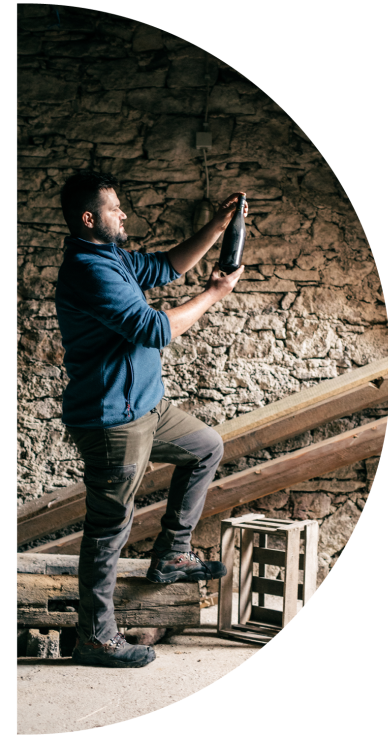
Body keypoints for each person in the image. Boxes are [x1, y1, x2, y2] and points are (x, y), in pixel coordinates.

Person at [55, 170, 247, 668]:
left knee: (205, 446)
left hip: (147, 406)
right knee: (109, 528)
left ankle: (172, 553)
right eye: (114, 208)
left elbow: (166, 266)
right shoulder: (87, 269)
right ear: (88, 218)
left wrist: (217, 226)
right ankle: (95, 638)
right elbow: (154, 329)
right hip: (112, 420)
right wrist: (214, 295)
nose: (124, 214)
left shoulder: (111, 256)